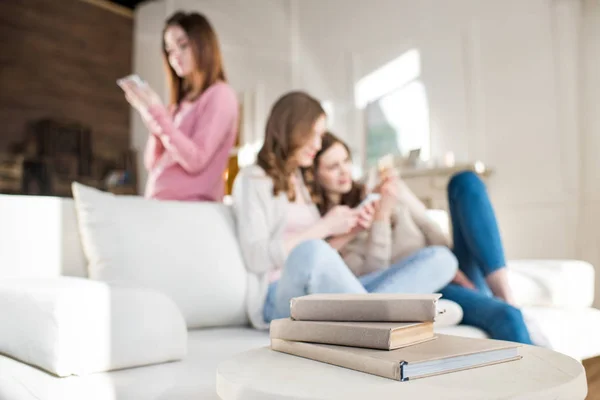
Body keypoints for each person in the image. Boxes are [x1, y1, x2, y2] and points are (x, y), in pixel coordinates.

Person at [232, 92, 457, 330]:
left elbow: (320, 261)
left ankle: (373, 317)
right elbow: (257, 258)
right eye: (315, 134)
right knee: (311, 250)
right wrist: (324, 226)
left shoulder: (297, 179)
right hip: (277, 295)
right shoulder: (252, 179)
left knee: (442, 259)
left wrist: (351, 231)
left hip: (319, 294)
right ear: (294, 129)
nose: (318, 144)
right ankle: (390, 317)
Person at [312, 132, 533, 344]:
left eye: (346, 161)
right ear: (315, 175)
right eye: (333, 167)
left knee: (465, 182)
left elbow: (428, 225)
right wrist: (381, 218)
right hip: (425, 286)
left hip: (449, 267)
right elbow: (377, 277)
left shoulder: (379, 186)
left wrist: (454, 270)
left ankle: (504, 293)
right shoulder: (331, 231)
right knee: (507, 316)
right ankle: (508, 309)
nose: (344, 171)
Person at [120, 11, 238, 201]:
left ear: (203, 44)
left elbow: (196, 160)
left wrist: (158, 115)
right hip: (163, 206)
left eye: (182, 45)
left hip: (190, 209)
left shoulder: (221, 95)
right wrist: (148, 112)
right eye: (170, 50)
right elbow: (152, 163)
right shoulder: (180, 104)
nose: (175, 56)